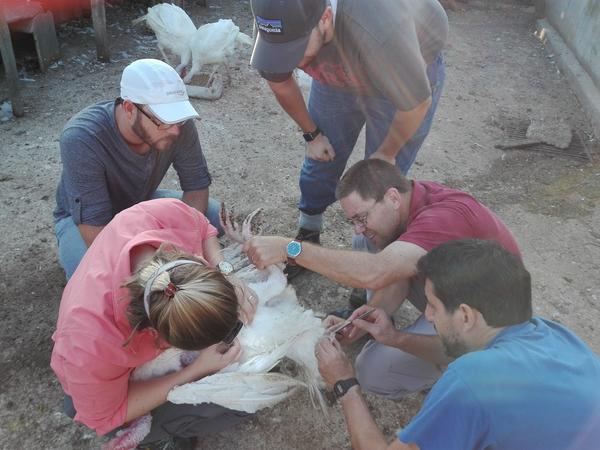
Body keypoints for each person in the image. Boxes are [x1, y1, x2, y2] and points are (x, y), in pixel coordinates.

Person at [244, 159, 521, 399]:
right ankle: (409, 336)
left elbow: (378, 271)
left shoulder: (443, 218)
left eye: (361, 217)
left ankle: (456, 369)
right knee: (369, 241)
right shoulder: (408, 198)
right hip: (453, 290)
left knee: (374, 373)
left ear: (392, 198)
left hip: (487, 326)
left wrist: (289, 248)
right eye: (353, 219)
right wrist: (365, 319)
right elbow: (394, 272)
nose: (358, 227)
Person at [315, 239, 600, 450]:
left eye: (433, 306)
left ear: (465, 315)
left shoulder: (473, 380)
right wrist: (393, 338)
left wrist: (344, 384)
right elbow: (455, 356)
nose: (427, 315)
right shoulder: (552, 334)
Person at [249, 0, 448, 277]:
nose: (289, 62)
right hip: (343, 61)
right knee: (322, 156)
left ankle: (373, 264)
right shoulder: (279, 18)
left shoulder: (380, 28)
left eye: (295, 50)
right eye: (280, 51)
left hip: (400, 63)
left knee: (379, 182)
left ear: (326, 18)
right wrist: (312, 134)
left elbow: (415, 104)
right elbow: (279, 81)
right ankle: (308, 232)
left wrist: (386, 152)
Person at [50, 198, 258, 449]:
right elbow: (103, 416)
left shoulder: (158, 214)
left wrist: (226, 272)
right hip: (95, 391)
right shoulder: (90, 342)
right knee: (243, 401)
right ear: (160, 339)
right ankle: (164, 433)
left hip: (101, 367)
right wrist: (196, 370)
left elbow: (203, 227)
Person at [54, 58, 223, 280]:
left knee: (215, 216)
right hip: (85, 222)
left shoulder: (178, 125)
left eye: (178, 119)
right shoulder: (82, 138)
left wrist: (189, 240)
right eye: (163, 120)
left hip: (140, 201)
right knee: (95, 278)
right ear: (129, 108)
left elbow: (196, 186)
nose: (175, 131)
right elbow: (95, 230)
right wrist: (160, 260)